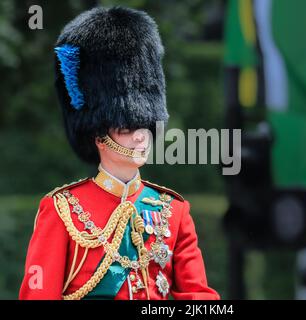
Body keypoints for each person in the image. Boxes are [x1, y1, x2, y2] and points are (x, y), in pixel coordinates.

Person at [19, 6, 220, 300]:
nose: (140, 135)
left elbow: (199, 299)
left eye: (146, 125)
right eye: (127, 126)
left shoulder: (174, 211)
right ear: (99, 135)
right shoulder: (62, 210)